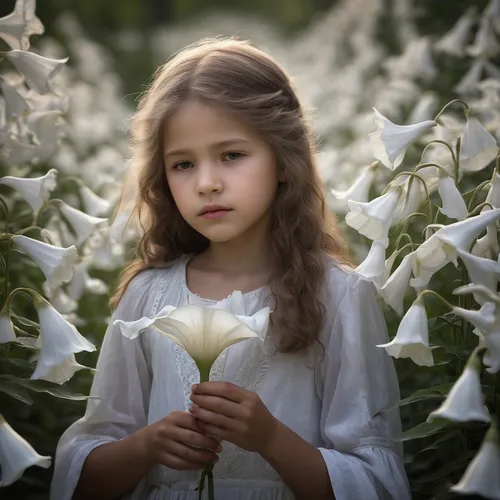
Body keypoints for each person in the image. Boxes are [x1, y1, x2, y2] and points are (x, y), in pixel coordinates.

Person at [50, 37, 411, 500]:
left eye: (232, 155)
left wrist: (270, 439)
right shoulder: (148, 295)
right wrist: (146, 446)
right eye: (182, 164)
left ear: (284, 159)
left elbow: (376, 483)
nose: (206, 183)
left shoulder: (339, 295)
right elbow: (83, 479)